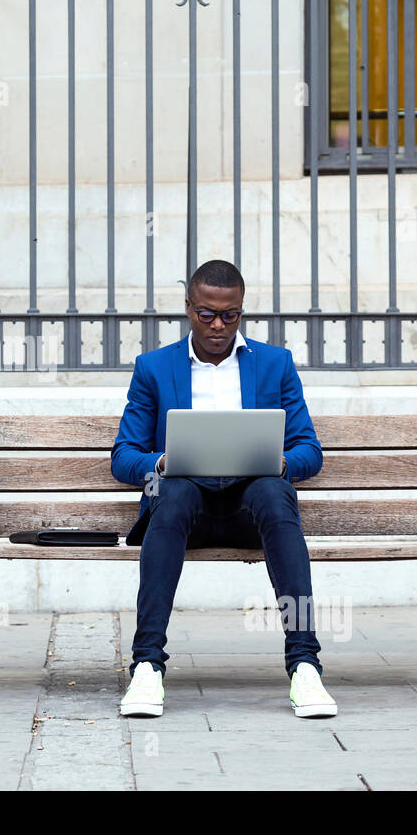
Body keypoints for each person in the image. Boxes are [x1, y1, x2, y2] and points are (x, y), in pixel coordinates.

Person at [109, 258, 338, 719]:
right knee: (171, 492)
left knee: (274, 491)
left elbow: (309, 451)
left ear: (241, 310)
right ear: (188, 308)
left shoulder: (275, 365)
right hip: (184, 517)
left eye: (229, 315)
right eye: (206, 314)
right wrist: (163, 461)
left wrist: (280, 461)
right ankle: (148, 666)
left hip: (251, 517)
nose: (217, 325)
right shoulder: (153, 369)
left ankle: (305, 667)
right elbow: (123, 456)